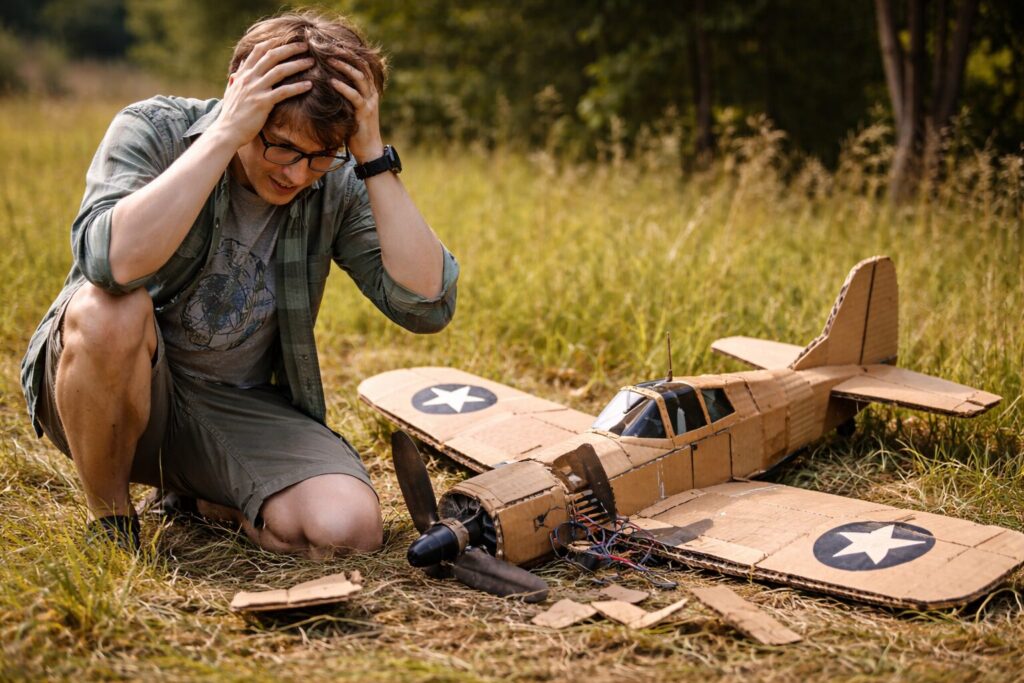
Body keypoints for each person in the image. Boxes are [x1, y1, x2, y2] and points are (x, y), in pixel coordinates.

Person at [19, 10, 458, 558]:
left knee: (347, 530)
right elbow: (110, 262)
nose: (297, 174)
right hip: (113, 389)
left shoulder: (338, 179)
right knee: (109, 310)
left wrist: (369, 156)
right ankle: (111, 518)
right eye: (280, 146)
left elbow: (428, 304)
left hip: (237, 406)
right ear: (239, 93)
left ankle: (202, 496)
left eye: (319, 156)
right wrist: (226, 134)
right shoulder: (154, 130)